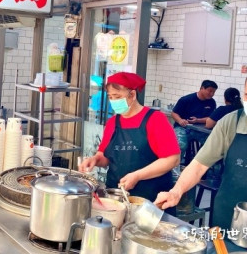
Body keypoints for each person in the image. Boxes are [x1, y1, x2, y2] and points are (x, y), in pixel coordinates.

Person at [155, 78, 247, 230]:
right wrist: (176, 192)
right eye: (246, 94)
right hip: (230, 214)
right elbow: (199, 165)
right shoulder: (231, 123)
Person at [79, 72, 180, 203]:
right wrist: (94, 159)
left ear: (132, 95)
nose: (113, 101)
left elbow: (172, 159)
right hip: (116, 195)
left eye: (117, 96)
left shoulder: (155, 119)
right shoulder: (112, 122)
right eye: (110, 97)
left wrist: (137, 176)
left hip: (152, 199)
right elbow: (104, 156)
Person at [171, 80, 218, 161]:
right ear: (202, 88)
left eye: (214, 92)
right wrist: (180, 120)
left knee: (213, 144)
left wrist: (197, 120)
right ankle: (174, 168)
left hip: (201, 130)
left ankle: (201, 168)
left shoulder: (212, 102)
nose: (212, 94)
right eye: (210, 91)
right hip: (183, 128)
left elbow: (210, 118)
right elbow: (174, 113)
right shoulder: (186, 99)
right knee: (180, 145)